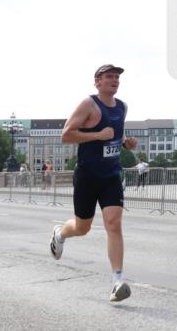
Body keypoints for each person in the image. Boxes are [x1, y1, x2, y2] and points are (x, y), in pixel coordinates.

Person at [49, 63, 137, 302]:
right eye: (109, 76)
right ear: (97, 82)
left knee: (114, 224)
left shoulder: (122, 107)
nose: (114, 80)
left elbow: (116, 135)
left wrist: (126, 143)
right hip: (87, 176)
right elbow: (66, 134)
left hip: (111, 175)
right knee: (82, 227)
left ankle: (117, 281)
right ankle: (60, 233)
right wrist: (97, 135)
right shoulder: (88, 104)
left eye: (117, 77)